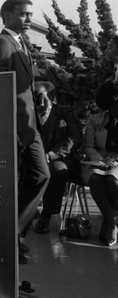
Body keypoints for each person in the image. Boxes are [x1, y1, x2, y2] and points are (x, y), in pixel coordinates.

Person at [0, 0, 50, 263]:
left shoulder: (22, 43)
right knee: (10, 188)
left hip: (30, 127)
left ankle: (13, 234)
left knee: (41, 175)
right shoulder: (1, 43)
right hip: (13, 128)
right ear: (6, 15)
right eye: (24, 14)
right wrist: (7, 128)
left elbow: (24, 80)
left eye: (30, 15)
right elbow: (1, 88)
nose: (29, 19)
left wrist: (41, 90)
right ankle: (8, 244)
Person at [82, 35, 118, 246]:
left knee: (112, 180)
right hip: (98, 160)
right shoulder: (97, 119)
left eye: (111, 45)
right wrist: (100, 158)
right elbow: (89, 146)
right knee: (96, 178)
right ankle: (111, 222)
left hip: (116, 163)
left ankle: (108, 223)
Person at [33, 81, 82, 233]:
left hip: (62, 159)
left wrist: (51, 155)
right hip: (35, 158)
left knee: (56, 171)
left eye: (40, 96)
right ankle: (27, 212)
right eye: (33, 96)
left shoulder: (66, 113)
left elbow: (74, 138)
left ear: (52, 96)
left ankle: (46, 214)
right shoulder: (28, 115)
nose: (37, 101)